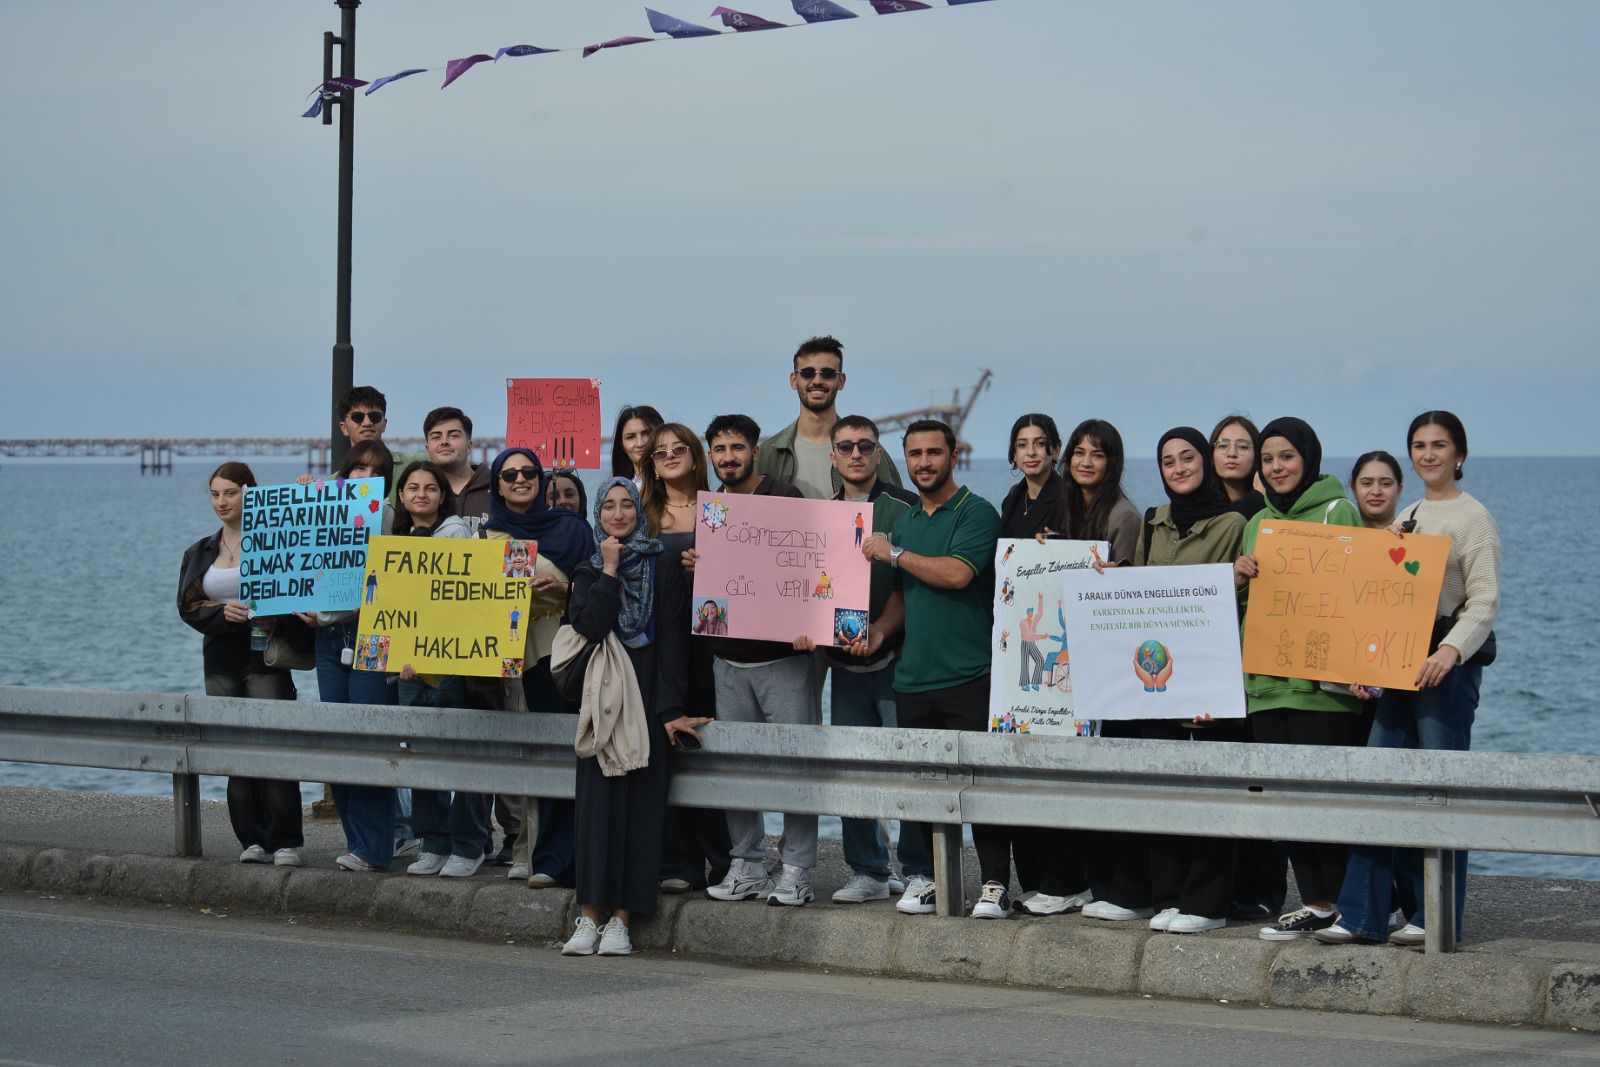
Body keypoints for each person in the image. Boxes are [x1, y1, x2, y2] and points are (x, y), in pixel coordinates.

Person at [1317, 411, 1500, 948]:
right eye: (1419, 445)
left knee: (1439, 792)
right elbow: (1384, 599)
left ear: (1459, 454)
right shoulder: (1411, 514)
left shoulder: (1474, 518)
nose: (1428, 454)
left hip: (1447, 669)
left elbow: (1484, 601)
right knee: (1379, 785)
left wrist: (1450, 651)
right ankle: (1362, 915)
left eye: (1439, 445)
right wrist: (1365, 667)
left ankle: (1434, 917)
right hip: (1398, 666)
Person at [1081, 428, 1247, 934]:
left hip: (1210, 676)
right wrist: (1104, 577)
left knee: (1209, 790)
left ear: (1206, 462)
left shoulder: (1234, 523)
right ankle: (1160, 896)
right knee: (1156, 784)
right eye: (1169, 461)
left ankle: (1207, 904)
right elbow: (1142, 590)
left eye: (1188, 457)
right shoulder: (1154, 521)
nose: (1179, 468)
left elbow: (1239, 603)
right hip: (1157, 675)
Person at [857, 420, 1005, 918]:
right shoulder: (906, 522)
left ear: (953, 456)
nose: (924, 463)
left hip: (970, 674)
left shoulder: (977, 512)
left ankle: (995, 884)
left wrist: (895, 554)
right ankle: (932, 882)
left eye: (933, 453)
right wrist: (880, 632)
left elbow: (958, 573)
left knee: (981, 786)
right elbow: (902, 596)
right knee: (923, 788)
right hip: (913, 678)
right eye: (915, 454)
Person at [560, 478, 708, 957]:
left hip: (647, 697)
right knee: (595, 810)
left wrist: (670, 710)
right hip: (603, 699)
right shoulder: (587, 568)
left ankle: (621, 921)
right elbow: (589, 625)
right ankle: (589, 916)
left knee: (641, 811)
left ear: (639, 513)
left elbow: (673, 643)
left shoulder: (662, 564)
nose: (619, 513)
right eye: (609, 506)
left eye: (627, 504)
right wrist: (608, 569)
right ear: (598, 514)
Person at [1233, 418, 1365, 941]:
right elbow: (1246, 607)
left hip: (1323, 691)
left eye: (1286, 456)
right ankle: (1315, 903)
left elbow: (1360, 593)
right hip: (1265, 686)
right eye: (1268, 459)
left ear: (1308, 458)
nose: (1277, 467)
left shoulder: (1338, 511)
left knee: (1327, 801)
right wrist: (1238, 578)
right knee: (1286, 802)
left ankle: (1351, 905)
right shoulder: (1256, 523)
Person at [699, 414, 821, 908]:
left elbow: (815, 564)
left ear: (755, 451)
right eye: (719, 449)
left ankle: (797, 869)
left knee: (797, 767)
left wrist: (814, 623)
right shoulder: (713, 510)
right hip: (727, 661)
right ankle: (747, 864)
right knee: (735, 769)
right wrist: (695, 564)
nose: (728, 457)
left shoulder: (786, 498)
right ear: (711, 456)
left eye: (737, 448)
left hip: (783, 662)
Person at [810, 415, 919, 904]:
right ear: (832, 456)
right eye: (846, 446)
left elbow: (910, 586)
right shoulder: (820, 516)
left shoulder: (906, 508)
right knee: (851, 770)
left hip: (898, 660)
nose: (855, 454)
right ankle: (870, 870)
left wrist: (883, 631)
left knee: (909, 768)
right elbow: (805, 586)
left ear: (878, 453)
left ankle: (919, 870)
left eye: (865, 446)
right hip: (845, 665)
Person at [178, 462, 306, 867]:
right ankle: (250, 838)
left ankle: (285, 841)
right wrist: (221, 613)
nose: (222, 502)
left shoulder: (274, 542)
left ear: (250, 492)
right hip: (220, 655)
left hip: (264, 653)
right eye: (215, 494)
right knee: (235, 746)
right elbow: (187, 605)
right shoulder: (200, 550)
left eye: (230, 493)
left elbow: (298, 589)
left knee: (273, 743)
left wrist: (275, 618)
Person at [481, 447, 595, 887]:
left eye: (529, 471)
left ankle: (585, 857)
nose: (520, 479)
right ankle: (549, 859)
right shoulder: (487, 537)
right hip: (524, 658)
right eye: (509, 475)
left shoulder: (572, 528)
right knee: (546, 756)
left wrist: (565, 589)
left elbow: (596, 589)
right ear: (497, 485)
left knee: (580, 754)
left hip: (571, 653)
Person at [294, 442, 402, 871]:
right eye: (358, 469)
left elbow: (386, 580)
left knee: (369, 735)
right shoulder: (325, 502)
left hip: (369, 633)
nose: (364, 477)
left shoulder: (386, 514)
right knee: (338, 736)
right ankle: (357, 842)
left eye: (375, 472)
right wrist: (307, 495)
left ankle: (374, 848)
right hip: (328, 637)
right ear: (345, 472)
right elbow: (298, 555)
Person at [639, 423, 733, 895]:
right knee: (665, 749)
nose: (670, 456)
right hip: (657, 644)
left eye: (680, 449)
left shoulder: (721, 509)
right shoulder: (642, 513)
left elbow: (744, 574)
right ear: (651, 466)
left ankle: (725, 858)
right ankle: (678, 861)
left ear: (697, 457)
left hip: (709, 643)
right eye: (660, 453)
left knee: (709, 748)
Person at [376, 461, 483, 877]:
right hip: (410, 670)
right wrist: (399, 656)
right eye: (413, 488)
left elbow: (466, 601)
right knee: (421, 756)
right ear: (401, 497)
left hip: (454, 665)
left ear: (442, 496)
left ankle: (469, 844)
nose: (421, 494)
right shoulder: (393, 545)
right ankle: (433, 842)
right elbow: (393, 610)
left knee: (464, 756)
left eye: (430, 488)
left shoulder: (457, 534)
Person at [756, 335, 901, 499]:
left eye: (828, 374)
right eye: (807, 373)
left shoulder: (868, 450)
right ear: (794, 380)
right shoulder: (767, 453)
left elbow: (896, 509)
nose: (817, 381)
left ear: (841, 380)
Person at [1052, 418, 1142, 564]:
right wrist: (1045, 547)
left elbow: (1127, 575)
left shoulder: (1124, 518)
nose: (1086, 463)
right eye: (1079, 453)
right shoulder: (1066, 505)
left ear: (1112, 463)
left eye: (1097, 455)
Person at [423, 406, 493, 532]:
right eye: (436, 437)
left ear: (469, 446)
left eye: (454, 435)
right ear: (427, 449)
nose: (444, 442)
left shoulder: (499, 489)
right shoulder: (418, 495)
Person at [1210, 414, 1266, 515]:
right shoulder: (1200, 507)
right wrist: (1256, 498)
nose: (1232, 453)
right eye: (1223, 445)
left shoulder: (1274, 505)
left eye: (1243, 447)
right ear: (1211, 456)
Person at [1351, 451, 1404, 529]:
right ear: (1353, 488)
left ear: (1399, 489)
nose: (1376, 492)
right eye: (1367, 483)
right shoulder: (1340, 533)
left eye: (1385, 483)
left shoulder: (1415, 532)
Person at [611, 404, 664, 481]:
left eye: (647, 434)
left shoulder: (678, 483)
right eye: (630, 437)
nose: (640, 443)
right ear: (622, 445)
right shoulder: (619, 487)